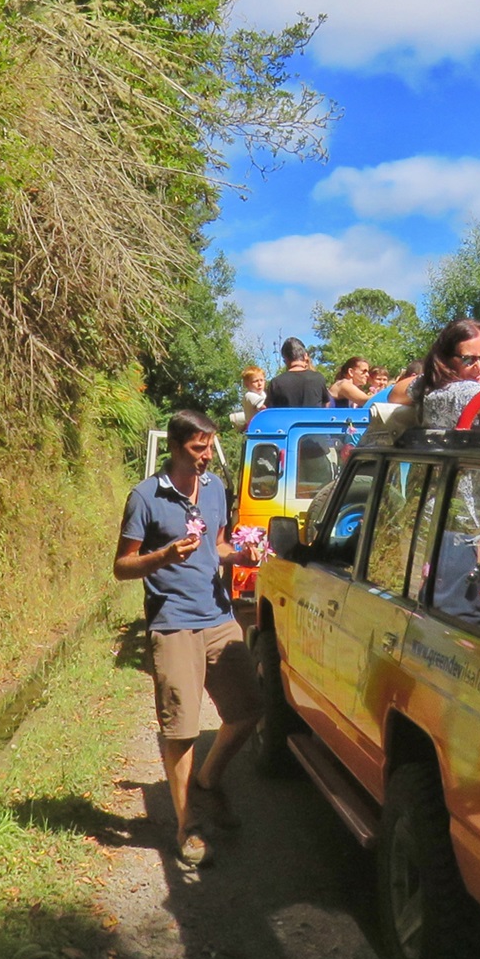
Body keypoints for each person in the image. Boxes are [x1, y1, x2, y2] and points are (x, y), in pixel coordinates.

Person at [113, 409, 263, 868]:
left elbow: (216, 547)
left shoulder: (215, 488)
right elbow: (122, 567)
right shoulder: (145, 497)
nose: (205, 456)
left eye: (208, 447)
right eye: (198, 448)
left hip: (218, 616)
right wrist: (162, 556)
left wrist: (240, 554)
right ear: (176, 447)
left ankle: (209, 778)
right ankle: (187, 826)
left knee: (249, 709)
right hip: (173, 622)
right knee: (181, 729)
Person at [390, 319, 480, 428]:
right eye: (467, 359)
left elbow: (396, 392)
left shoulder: (427, 385)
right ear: (445, 359)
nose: (479, 367)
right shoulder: (451, 392)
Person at [266, 338, 329, 408]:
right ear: (305, 356)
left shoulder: (276, 383)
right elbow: (326, 406)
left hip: (287, 419)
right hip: (313, 419)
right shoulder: (318, 378)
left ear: (285, 359)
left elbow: (270, 412)